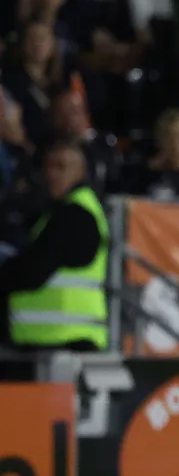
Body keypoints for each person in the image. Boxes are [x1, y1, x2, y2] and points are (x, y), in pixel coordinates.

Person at [0, 140, 109, 352]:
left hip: (64, 343)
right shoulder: (61, 211)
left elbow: (31, 272)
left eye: (61, 167)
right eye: (48, 167)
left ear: (80, 172)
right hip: (57, 341)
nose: (51, 175)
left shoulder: (75, 214)